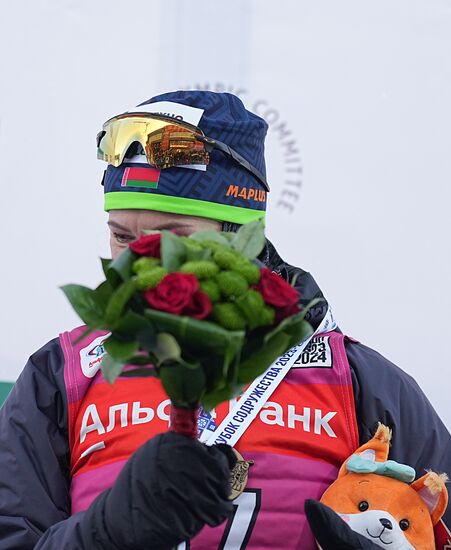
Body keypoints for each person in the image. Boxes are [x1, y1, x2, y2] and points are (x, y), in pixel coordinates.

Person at [0, 90, 449, 550]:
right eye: (121, 236)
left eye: (171, 237)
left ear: (244, 240)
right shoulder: (61, 376)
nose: (136, 263)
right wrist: (107, 531)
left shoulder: (360, 381)